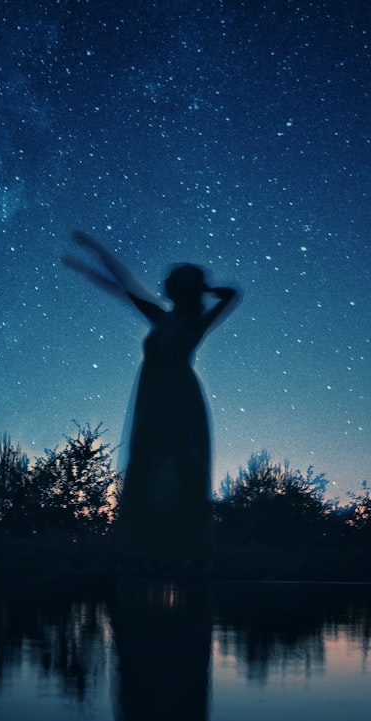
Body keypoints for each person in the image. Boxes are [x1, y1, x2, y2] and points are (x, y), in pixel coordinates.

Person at [62, 231, 240, 570]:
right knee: (145, 466)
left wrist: (206, 289)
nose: (167, 288)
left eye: (176, 285)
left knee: (184, 469)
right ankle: (133, 551)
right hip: (153, 400)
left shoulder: (194, 323)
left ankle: (193, 555)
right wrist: (95, 254)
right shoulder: (163, 318)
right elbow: (125, 287)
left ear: (183, 291)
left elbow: (233, 295)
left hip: (180, 400)